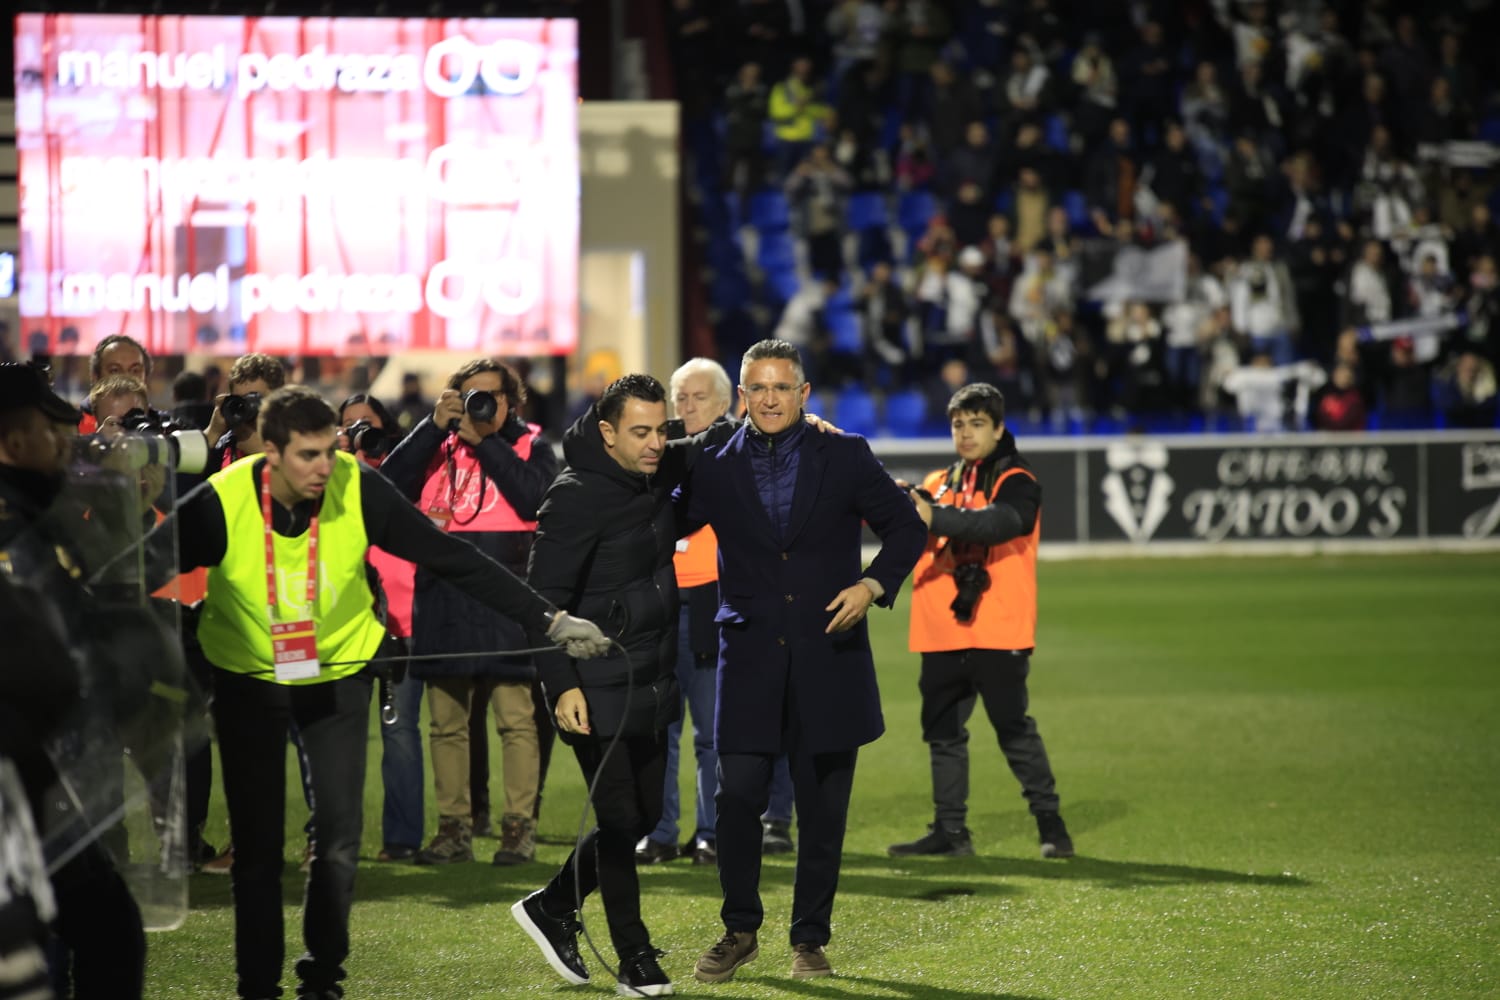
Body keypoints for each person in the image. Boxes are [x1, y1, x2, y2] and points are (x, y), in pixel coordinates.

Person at [148, 386, 609, 1000]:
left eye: (330, 451)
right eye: (308, 455)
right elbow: (138, 571)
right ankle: (255, 986)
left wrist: (548, 620)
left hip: (339, 676)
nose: (324, 467)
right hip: (248, 683)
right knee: (257, 851)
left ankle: (323, 980)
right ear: (271, 452)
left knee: (337, 842)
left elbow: (450, 557)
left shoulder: (354, 485)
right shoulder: (221, 501)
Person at [684, 340, 926, 982]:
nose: (768, 399)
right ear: (741, 396)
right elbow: (660, 518)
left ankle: (809, 939)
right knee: (736, 795)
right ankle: (739, 929)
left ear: (803, 394)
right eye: (756, 389)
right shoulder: (712, 461)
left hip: (830, 657)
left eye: (780, 388)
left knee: (823, 812)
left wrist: (873, 586)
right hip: (748, 657)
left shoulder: (843, 454)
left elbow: (907, 528)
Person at [512, 374, 710, 997]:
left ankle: (553, 905)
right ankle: (634, 956)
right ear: (607, 432)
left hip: (648, 679)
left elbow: (712, 448)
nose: (656, 444)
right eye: (640, 432)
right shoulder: (573, 497)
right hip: (590, 687)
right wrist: (562, 686)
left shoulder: (653, 477)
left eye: (661, 430)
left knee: (645, 814)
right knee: (622, 817)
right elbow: (539, 603)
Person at [0, 362, 148, 999]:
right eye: (49, 429)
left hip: (28, 775)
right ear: (11, 440)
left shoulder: (35, 512)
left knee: (104, 922)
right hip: (12, 779)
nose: (67, 442)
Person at [887, 383, 1074, 861]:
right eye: (958, 424)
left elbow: (1000, 524)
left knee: (1013, 729)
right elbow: (903, 521)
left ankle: (1052, 826)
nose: (966, 434)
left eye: (976, 424)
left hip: (998, 628)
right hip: (942, 630)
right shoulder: (939, 480)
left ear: (998, 428)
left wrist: (935, 515)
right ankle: (951, 832)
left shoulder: (1017, 479)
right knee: (943, 734)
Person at [379, 360, 554, 866]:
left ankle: (518, 829)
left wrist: (484, 441)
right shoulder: (437, 445)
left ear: (510, 402)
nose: (480, 404)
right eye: (468, 395)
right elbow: (388, 486)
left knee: (516, 719)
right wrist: (432, 427)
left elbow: (535, 498)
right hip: (443, 593)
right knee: (446, 724)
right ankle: (452, 829)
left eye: (490, 396)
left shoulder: (531, 445)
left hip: (508, 592)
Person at [634, 359, 736, 867]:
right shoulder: (658, 456)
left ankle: (711, 833)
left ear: (724, 405)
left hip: (714, 603)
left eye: (699, 397)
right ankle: (661, 832)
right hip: (662, 603)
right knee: (660, 728)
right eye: (681, 398)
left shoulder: (732, 450)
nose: (688, 407)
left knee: (710, 733)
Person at [335, 394, 423, 863]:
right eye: (346, 425)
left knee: (399, 733)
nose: (355, 433)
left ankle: (402, 840)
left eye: (365, 425)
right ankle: (332, 838)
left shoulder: (403, 471)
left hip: (400, 621)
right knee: (339, 737)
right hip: (345, 621)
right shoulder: (324, 473)